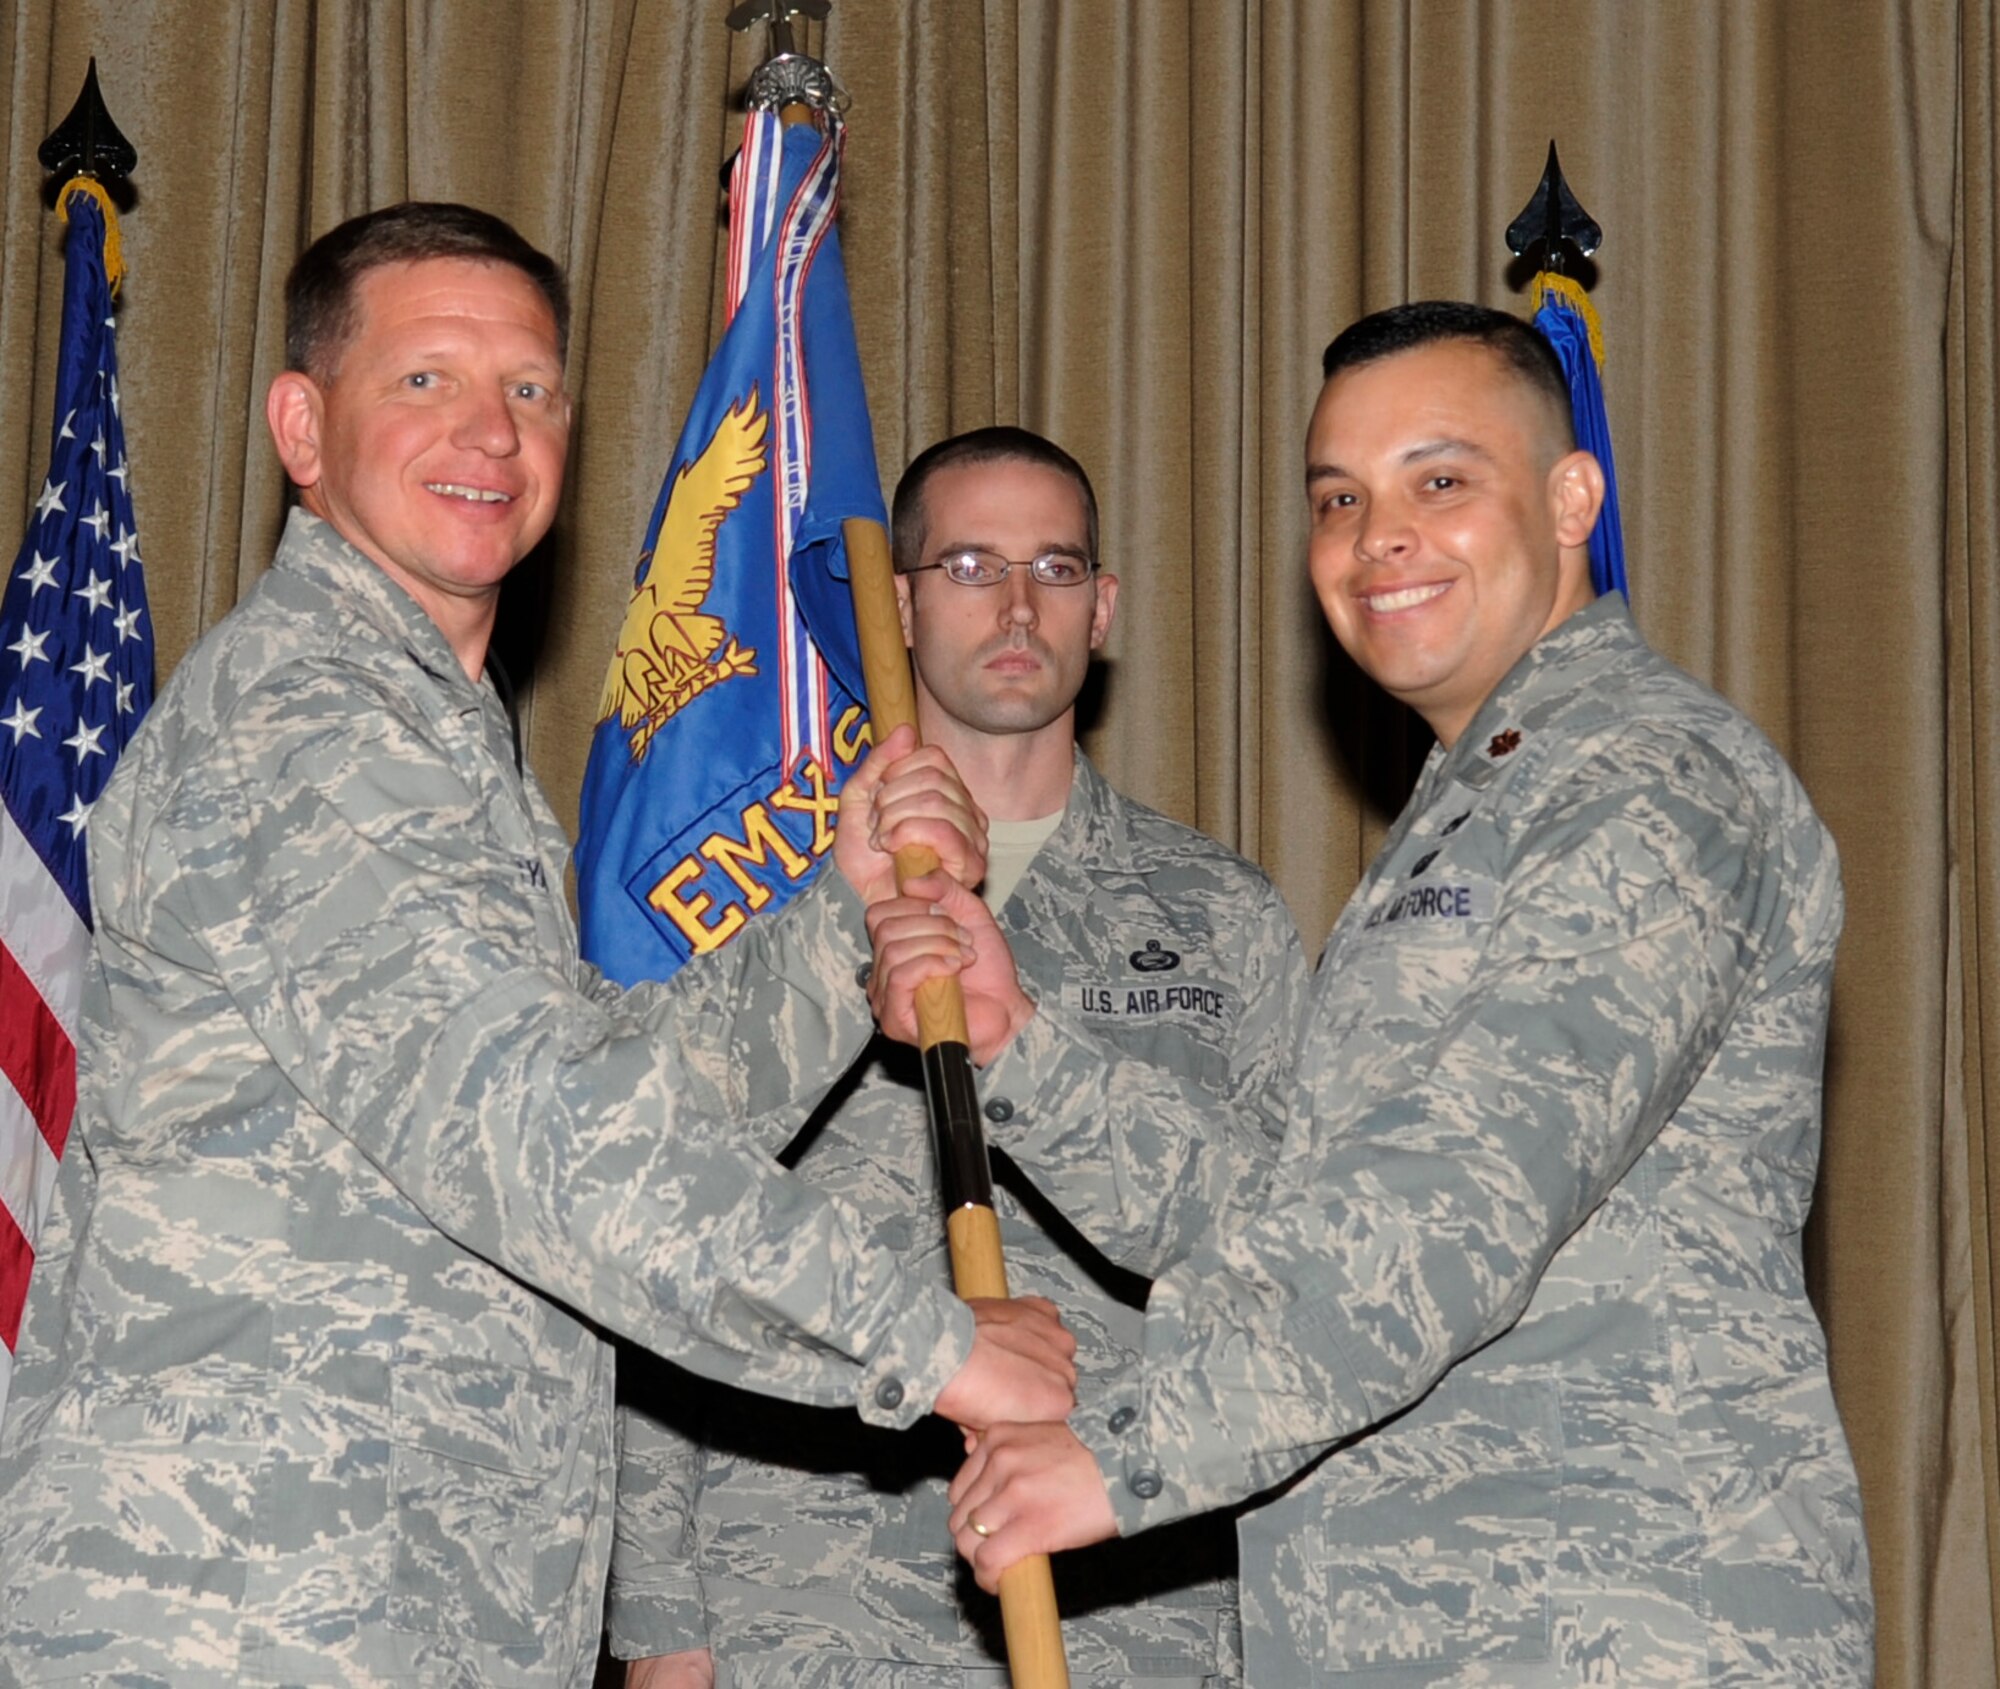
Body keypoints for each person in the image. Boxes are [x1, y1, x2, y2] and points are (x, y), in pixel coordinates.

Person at [0, 204, 1075, 1689]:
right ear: (301, 427)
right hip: (237, 1602)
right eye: (427, 380)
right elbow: (540, 1131)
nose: (492, 435)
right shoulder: (309, 721)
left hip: (409, 1600)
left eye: (531, 390)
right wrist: (932, 1341)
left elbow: (607, 1077)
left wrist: (846, 931)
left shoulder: (444, 734)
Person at [872, 304, 1875, 1685]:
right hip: (1426, 1621)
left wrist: (1127, 1451)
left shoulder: (1648, 781)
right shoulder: (1471, 810)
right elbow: (1291, 1214)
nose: (1377, 537)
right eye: (1339, 499)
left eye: (1439, 481)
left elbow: (1459, 1202)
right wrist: (1021, 1049)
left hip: (1612, 1611)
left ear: (1574, 497)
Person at [611, 428, 1309, 1688]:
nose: (1014, 605)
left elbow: (1290, 1270)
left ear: (1101, 609)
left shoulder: (1219, 914)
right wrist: (661, 1620)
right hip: (803, 1597)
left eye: (1053, 568)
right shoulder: (763, 913)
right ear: (899, 604)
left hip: (1129, 1600)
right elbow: (650, 1238)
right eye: (971, 564)